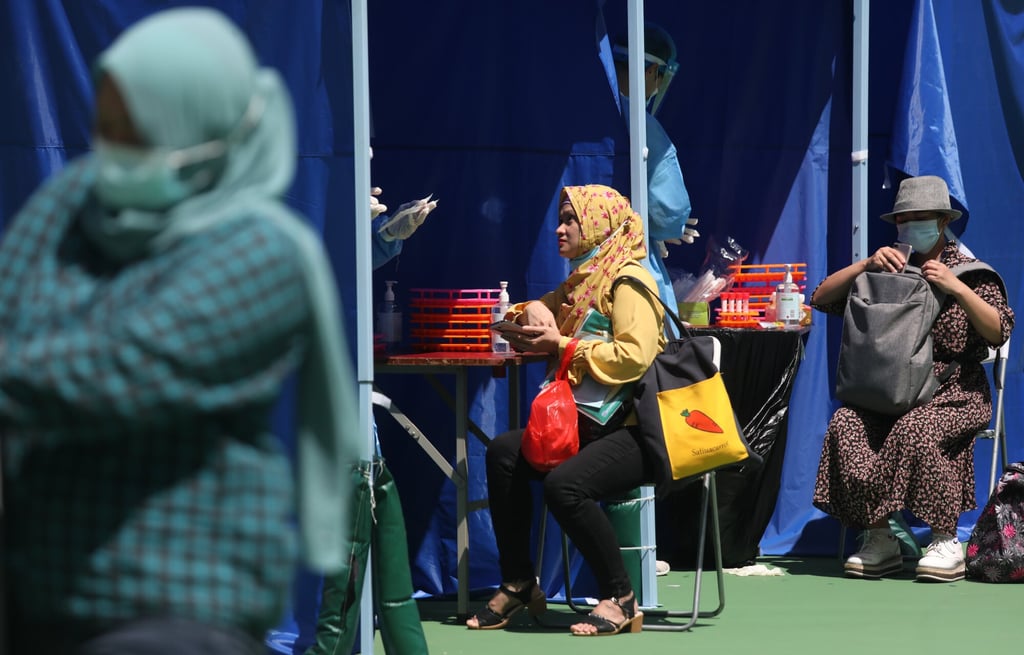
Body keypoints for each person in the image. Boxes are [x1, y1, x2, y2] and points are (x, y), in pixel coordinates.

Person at [0, 8, 361, 653]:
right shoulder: (78, 199)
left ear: (197, 117)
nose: (115, 146)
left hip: (175, 601)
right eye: (105, 126)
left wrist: (35, 346)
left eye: (135, 126)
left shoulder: (262, 254)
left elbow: (117, 373)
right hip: (41, 586)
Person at [465, 184, 665, 636]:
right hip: (589, 426)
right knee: (503, 452)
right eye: (561, 218)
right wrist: (533, 306)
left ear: (598, 225)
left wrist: (565, 346)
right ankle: (519, 581)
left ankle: (620, 597)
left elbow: (635, 357)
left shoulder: (628, 281)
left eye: (571, 220)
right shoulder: (582, 284)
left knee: (564, 485)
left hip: (637, 430)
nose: (560, 228)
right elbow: (529, 315)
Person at [810, 175, 1014, 582]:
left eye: (922, 219)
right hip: (892, 390)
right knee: (846, 423)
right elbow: (820, 298)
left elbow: (999, 330)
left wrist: (956, 288)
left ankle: (945, 539)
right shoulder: (890, 268)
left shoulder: (972, 272)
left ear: (942, 221)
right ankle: (880, 534)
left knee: (916, 428)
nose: (912, 227)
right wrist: (865, 265)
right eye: (904, 220)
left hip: (955, 392)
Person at [611, 25, 699, 338]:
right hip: (631, 265)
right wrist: (661, 227)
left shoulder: (588, 116)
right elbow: (670, 206)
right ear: (651, 71)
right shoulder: (644, 126)